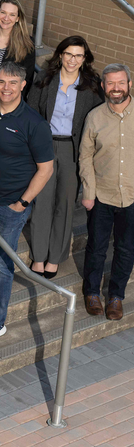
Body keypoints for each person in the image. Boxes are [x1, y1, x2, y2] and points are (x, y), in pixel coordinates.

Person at [0, 61, 54, 344]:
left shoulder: (34, 123)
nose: (6, 88)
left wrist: (22, 202)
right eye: (1, 82)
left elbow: (46, 169)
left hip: (10, 204)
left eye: (12, 83)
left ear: (23, 85)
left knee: (3, 266)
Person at [28, 36, 103, 278]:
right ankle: (39, 256)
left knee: (64, 204)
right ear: (60, 55)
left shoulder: (91, 85)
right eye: (69, 54)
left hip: (74, 150)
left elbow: (97, 121)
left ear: (84, 59)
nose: (73, 60)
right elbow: (31, 111)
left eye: (78, 55)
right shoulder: (44, 79)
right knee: (42, 202)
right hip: (46, 147)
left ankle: (56, 257)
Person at [79, 64, 134, 321]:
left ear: (129, 84)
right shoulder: (95, 117)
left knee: (126, 249)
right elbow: (86, 156)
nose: (116, 88)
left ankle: (115, 296)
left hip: (132, 197)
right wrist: (88, 192)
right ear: (103, 86)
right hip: (102, 194)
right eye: (110, 83)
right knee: (97, 247)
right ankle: (91, 292)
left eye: (120, 83)